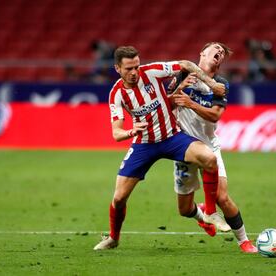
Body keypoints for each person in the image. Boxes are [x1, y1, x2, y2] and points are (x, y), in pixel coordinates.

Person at [93, 46, 230, 250]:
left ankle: (210, 212)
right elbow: (116, 133)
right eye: (129, 68)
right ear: (117, 68)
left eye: (136, 67)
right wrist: (132, 131)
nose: (134, 72)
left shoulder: (151, 72)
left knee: (209, 158)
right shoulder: (116, 94)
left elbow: (185, 63)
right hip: (144, 144)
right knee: (119, 197)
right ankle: (113, 237)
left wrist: (210, 83)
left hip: (172, 137)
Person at [169, 42, 258, 253]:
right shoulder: (182, 75)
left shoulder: (220, 84)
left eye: (222, 54)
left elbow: (215, 115)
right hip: (183, 147)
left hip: (209, 145)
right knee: (184, 209)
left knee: (222, 197)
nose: (220, 53)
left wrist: (190, 103)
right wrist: (179, 91)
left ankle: (244, 241)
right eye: (216, 49)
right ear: (202, 53)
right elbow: (167, 104)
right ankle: (202, 214)